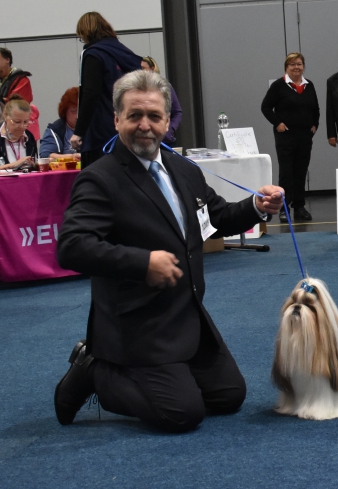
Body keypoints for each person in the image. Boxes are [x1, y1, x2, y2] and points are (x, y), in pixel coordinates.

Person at [54, 70, 284, 433]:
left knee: (229, 396)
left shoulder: (183, 169)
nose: (145, 125)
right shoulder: (99, 178)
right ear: (117, 120)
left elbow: (216, 218)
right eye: (134, 116)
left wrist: (256, 206)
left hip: (186, 315)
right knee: (181, 414)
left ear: (167, 122)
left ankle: (169, 372)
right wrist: (142, 262)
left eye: (154, 116)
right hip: (136, 325)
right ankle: (94, 369)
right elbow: (71, 247)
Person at [70, 12, 142, 168]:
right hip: (127, 127)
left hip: (100, 133)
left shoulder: (93, 55)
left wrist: (79, 132)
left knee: (98, 177)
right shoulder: (124, 54)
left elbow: (90, 94)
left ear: (86, 33)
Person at [261, 52, 319, 223]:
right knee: (286, 173)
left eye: (299, 64)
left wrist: (315, 124)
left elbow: (315, 108)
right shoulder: (279, 86)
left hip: (305, 137)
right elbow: (265, 107)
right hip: (285, 137)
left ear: (303, 67)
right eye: (292, 64)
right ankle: (283, 208)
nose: (296, 67)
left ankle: (299, 207)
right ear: (286, 67)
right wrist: (277, 123)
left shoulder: (309, 85)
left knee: (301, 172)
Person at [140, 56, 183, 146]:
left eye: (143, 68)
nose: (141, 71)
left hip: (165, 140)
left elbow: (177, 112)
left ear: (152, 68)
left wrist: (170, 129)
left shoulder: (165, 87)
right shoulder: (137, 89)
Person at [39, 87, 80, 159]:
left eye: (81, 111)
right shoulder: (55, 130)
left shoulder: (94, 127)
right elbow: (45, 155)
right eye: (74, 111)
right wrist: (72, 157)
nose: (78, 116)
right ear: (65, 111)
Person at [0, 48, 35, 128]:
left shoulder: (22, 80)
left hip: (16, 127)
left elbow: (16, 104)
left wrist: (4, 100)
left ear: (7, 60)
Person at [0, 94, 37, 170]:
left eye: (26, 122)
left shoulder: (29, 137)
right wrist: (14, 165)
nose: (22, 126)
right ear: (6, 116)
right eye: (17, 122)